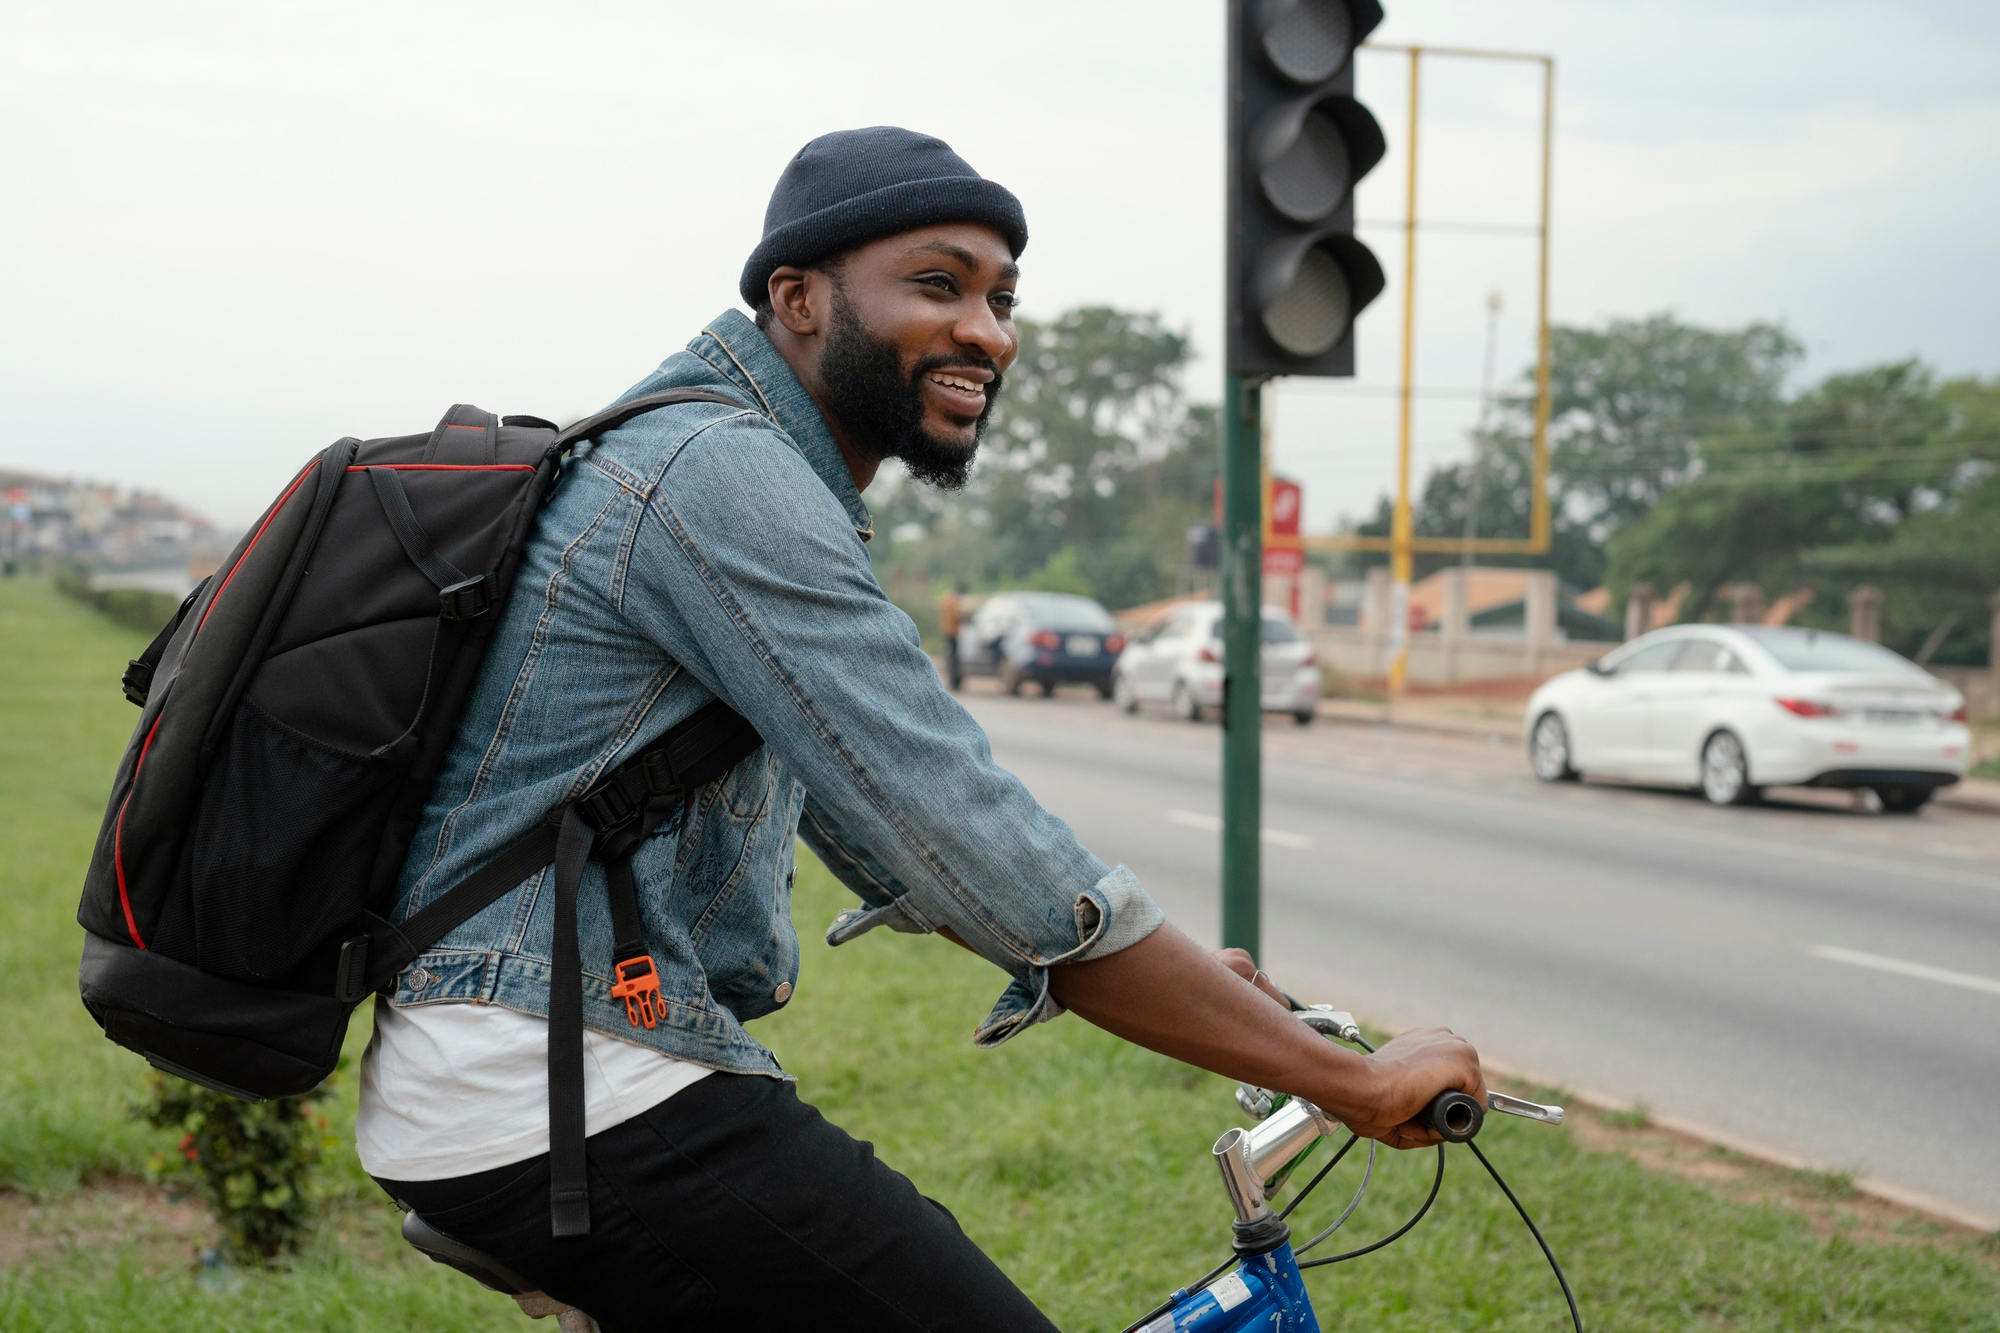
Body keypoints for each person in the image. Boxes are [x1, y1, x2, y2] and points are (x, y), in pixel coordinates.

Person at [356, 126, 1483, 1333]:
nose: (988, 333)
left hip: (539, 1072)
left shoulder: (720, 465)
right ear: (795, 298)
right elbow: (960, 826)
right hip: (554, 1081)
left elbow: (888, 837)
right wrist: (1349, 1082)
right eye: (938, 285)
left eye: (1002, 299)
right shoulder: (716, 477)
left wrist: (1206, 993)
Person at [939, 580, 966, 688]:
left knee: (950, 656)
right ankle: (954, 681)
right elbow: (955, 615)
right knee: (953, 658)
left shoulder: (946, 597)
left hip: (947, 630)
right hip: (952, 632)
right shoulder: (953, 599)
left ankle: (953, 680)